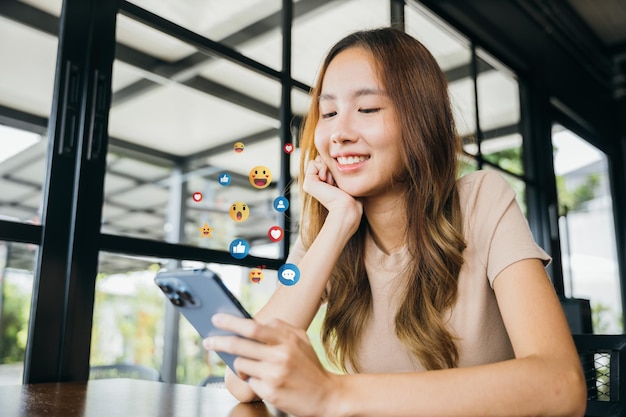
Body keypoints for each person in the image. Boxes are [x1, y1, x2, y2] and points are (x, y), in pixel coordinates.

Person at [203, 27, 586, 417]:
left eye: (367, 110)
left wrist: (334, 394)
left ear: (420, 121)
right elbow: (241, 379)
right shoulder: (333, 229)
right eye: (329, 112)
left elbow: (562, 385)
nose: (339, 133)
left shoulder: (480, 199)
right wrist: (338, 225)